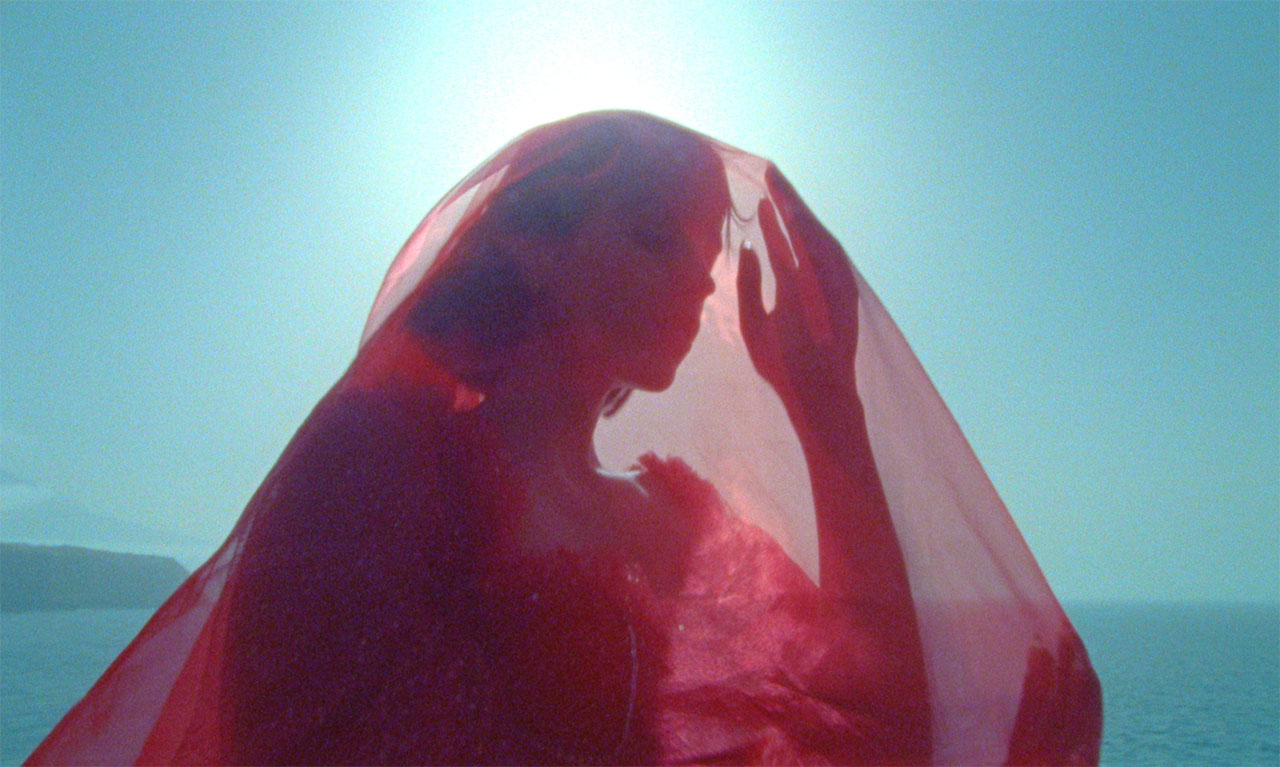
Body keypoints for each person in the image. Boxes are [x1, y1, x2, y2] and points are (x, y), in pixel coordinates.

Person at [27, 111, 1100, 766]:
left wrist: (829, 417)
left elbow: (872, 718)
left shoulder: (676, 517)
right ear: (531, 244)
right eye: (652, 235)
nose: (696, 281)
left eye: (704, 253)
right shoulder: (384, 459)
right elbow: (295, 734)